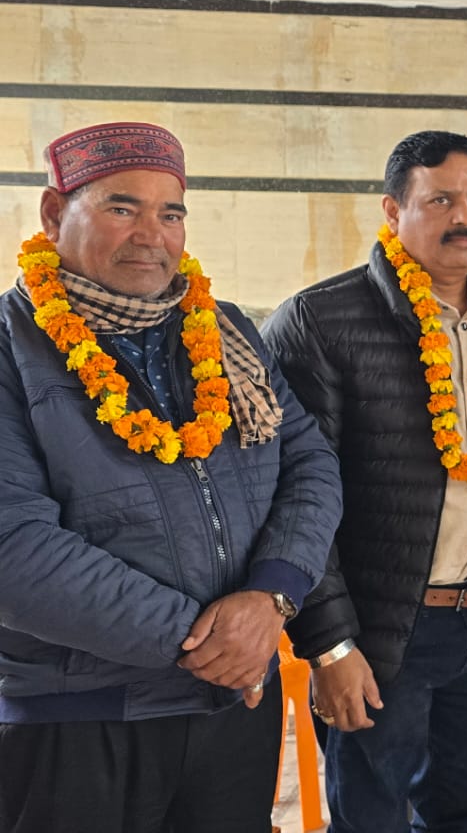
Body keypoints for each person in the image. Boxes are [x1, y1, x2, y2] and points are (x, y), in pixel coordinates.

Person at [0, 122, 342, 832]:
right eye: (122, 207)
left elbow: (309, 464)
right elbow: (14, 549)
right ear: (53, 213)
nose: (151, 235)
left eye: (171, 213)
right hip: (77, 715)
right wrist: (210, 643)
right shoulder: (12, 347)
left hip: (231, 710)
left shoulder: (224, 331)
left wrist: (272, 594)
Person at [264, 131, 467, 832]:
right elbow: (295, 499)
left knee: (465, 811)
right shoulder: (321, 321)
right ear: (393, 210)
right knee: (372, 816)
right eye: (441, 200)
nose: (466, 218)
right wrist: (331, 645)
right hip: (384, 628)